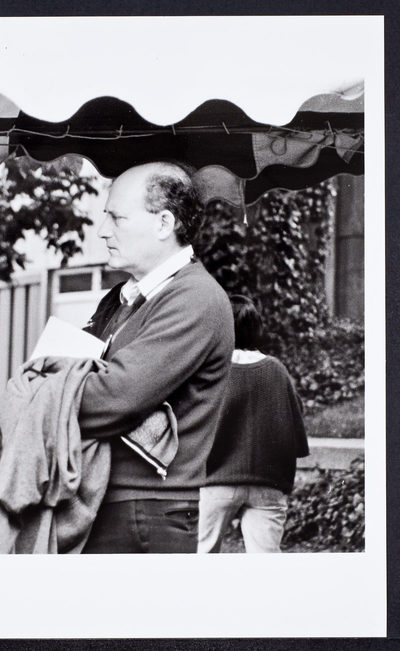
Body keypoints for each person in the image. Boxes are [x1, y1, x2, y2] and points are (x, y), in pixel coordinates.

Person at [78, 162, 234, 554]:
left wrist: (49, 390)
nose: (103, 231)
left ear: (164, 223)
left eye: (117, 218)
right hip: (113, 504)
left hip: (146, 512)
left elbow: (111, 398)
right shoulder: (120, 299)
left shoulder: (195, 298)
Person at [197, 295, 309, 553]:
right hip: (267, 482)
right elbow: (295, 425)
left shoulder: (210, 371)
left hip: (214, 481)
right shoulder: (277, 369)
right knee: (266, 564)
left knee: (200, 557)